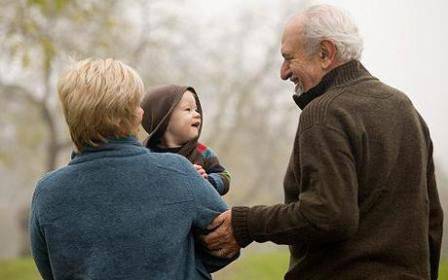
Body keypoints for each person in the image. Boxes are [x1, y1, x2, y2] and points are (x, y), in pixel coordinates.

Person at [203, 4, 443, 280]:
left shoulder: (325, 111)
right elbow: (432, 219)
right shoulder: (405, 108)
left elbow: (328, 216)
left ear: (325, 53)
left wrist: (246, 223)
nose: (283, 72)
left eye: (288, 58)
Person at [29, 58, 237, 280]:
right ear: (137, 116)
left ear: (71, 118)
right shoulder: (178, 172)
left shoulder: (47, 192)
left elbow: (49, 270)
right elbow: (228, 242)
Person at [141, 85, 231, 195]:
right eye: (188, 109)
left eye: (196, 109)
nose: (197, 114)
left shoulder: (202, 151)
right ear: (164, 118)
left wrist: (207, 181)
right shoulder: (144, 155)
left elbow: (225, 176)